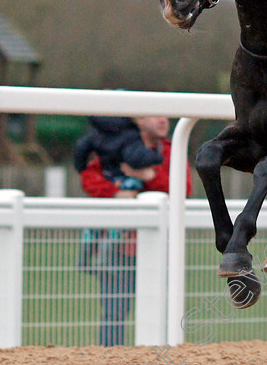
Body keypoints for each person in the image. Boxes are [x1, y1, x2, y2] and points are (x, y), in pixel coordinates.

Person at [77, 116, 192, 347]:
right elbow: (89, 176)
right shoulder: (114, 146)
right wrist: (116, 193)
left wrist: (148, 176)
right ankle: (110, 363)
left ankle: (160, 361)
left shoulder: (171, 150)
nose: (163, 120)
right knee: (114, 312)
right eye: (154, 114)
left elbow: (184, 188)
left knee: (163, 310)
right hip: (118, 246)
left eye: (165, 115)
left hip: (160, 249)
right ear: (137, 120)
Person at [73, 116, 164, 191]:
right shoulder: (131, 134)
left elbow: (80, 149)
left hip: (109, 176)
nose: (163, 120)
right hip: (128, 182)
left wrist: (80, 167)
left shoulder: (95, 133)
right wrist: (157, 157)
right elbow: (134, 158)